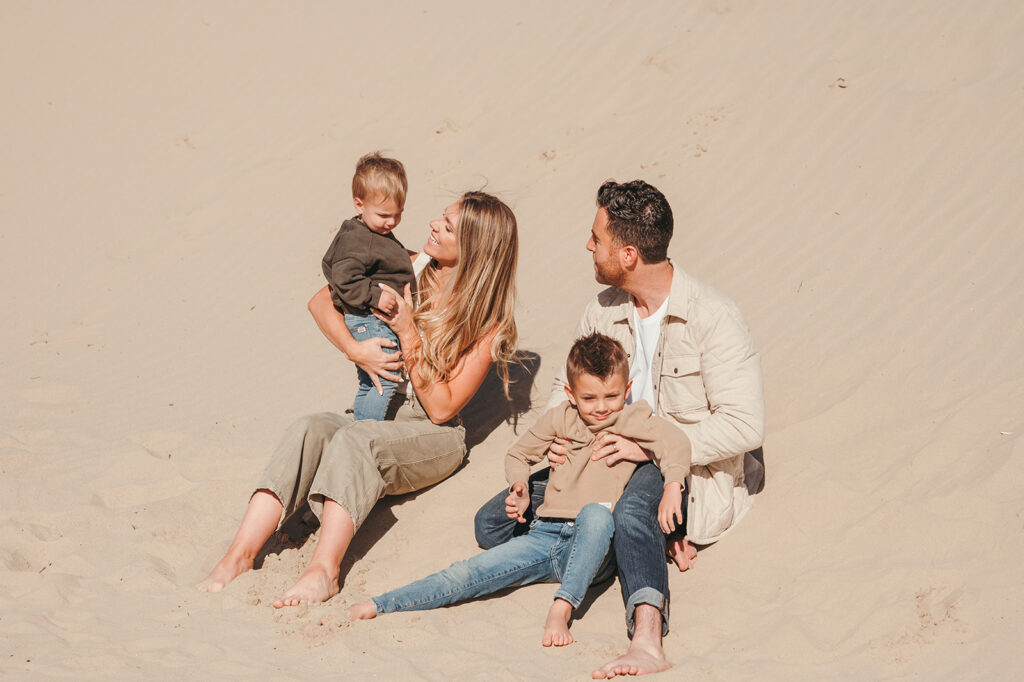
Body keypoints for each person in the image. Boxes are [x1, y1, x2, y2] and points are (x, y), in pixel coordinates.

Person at [473, 180, 765, 678]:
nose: (589, 246)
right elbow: (564, 392)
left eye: (597, 238)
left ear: (628, 254)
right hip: (597, 455)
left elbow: (744, 426)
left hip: (674, 462)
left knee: (633, 512)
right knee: (492, 521)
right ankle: (599, 547)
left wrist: (642, 446)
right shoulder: (603, 309)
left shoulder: (713, 317)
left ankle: (647, 639)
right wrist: (560, 440)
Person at [197, 191, 519, 609]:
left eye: (448, 225)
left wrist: (407, 332)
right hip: (379, 408)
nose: (433, 226)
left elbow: (443, 407)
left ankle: (323, 572)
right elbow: (320, 302)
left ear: (476, 245)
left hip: (432, 434)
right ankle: (238, 556)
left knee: (356, 440)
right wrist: (355, 349)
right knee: (309, 427)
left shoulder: (488, 320)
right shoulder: (403, 266)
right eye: (440, 218)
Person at [348, 332, 691, 649]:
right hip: (546, 536)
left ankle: (562, 605)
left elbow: (676, 443)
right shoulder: (561, 418)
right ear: (571, 394)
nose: (601, 407)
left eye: (611, 396)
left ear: (627, 389)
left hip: (595, 548)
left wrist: (673, 486)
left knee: (597, 514)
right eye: (589, 398)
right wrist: (520, 485)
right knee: (470, 572)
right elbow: (518, 453)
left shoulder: (633, 419)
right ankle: (386, 603)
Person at [321, 152, 416, 421]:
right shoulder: (358, 241)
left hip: (368, 319)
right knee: (384, 380)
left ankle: (358, 430)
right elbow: (343, 278)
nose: (392, 222)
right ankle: (365, 434)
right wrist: (375, 296)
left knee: (370, 381)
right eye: (384, 215)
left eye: (398, 215)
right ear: (359, 204)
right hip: (370, 320)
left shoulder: (368, 233)